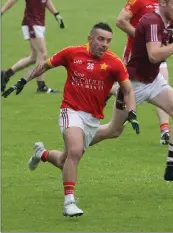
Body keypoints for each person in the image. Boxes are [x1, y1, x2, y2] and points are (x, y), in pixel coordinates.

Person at [2, 22, 139, 217]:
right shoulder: (71, 53)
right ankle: (69, 202)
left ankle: (41, 153)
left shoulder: (114, 63)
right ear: (90, 39)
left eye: (108, 41)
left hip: (92, 120)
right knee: (75, 152)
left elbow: (128, 90)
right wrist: (23, 80)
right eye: (100, 39)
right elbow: (45, 65)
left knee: (64, 160)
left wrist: (131, 112)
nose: (104, 44)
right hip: (70, 111)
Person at [90, 0, 173, 182]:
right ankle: (76, 142)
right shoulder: (152, 21)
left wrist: (171, 40)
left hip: (153, 80)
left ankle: (172, 168)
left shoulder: (169, 21)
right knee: (114, 130)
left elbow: (161, 48)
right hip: (133, 85)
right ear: (162, 3)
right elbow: (154, 55)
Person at [115, 0, 173, 145]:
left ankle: (165, 130)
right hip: (136, 55)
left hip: (156, 53)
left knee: (163, 86)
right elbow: (120, 21)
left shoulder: (165, 1)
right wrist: (141, 37)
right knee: (126, 92)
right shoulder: (138, 0)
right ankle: (110, 90)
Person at [1, 0, 65, 94]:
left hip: (40, 23)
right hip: (31, 23)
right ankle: (41, 86)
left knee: (33, 57)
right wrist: (2, 11)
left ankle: (6, 74)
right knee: (43, 54)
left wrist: (56, 13)